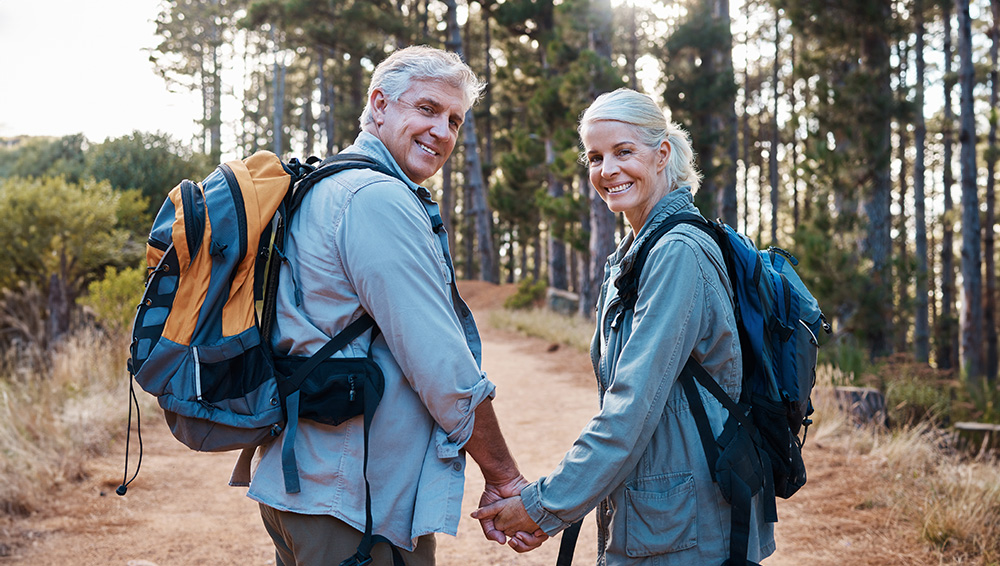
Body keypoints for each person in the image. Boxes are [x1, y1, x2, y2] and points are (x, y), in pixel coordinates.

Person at [246, 45, 544, 566]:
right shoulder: (374, 199)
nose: (443, 132)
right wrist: (504, 477)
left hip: (306, 489)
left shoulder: (324, 184)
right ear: (379, 104)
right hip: (354, 508)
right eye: (427, 109)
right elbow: (442, 365)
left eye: (454, 120)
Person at [473, 88, 776, 564]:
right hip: (659, 513)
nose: (607, 170)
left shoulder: (677, 252)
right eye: (595, 157)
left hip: (690, 525)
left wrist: (544, 506)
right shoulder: (636, 253)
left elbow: (631, 407)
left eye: (623, 151)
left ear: (662, 155)